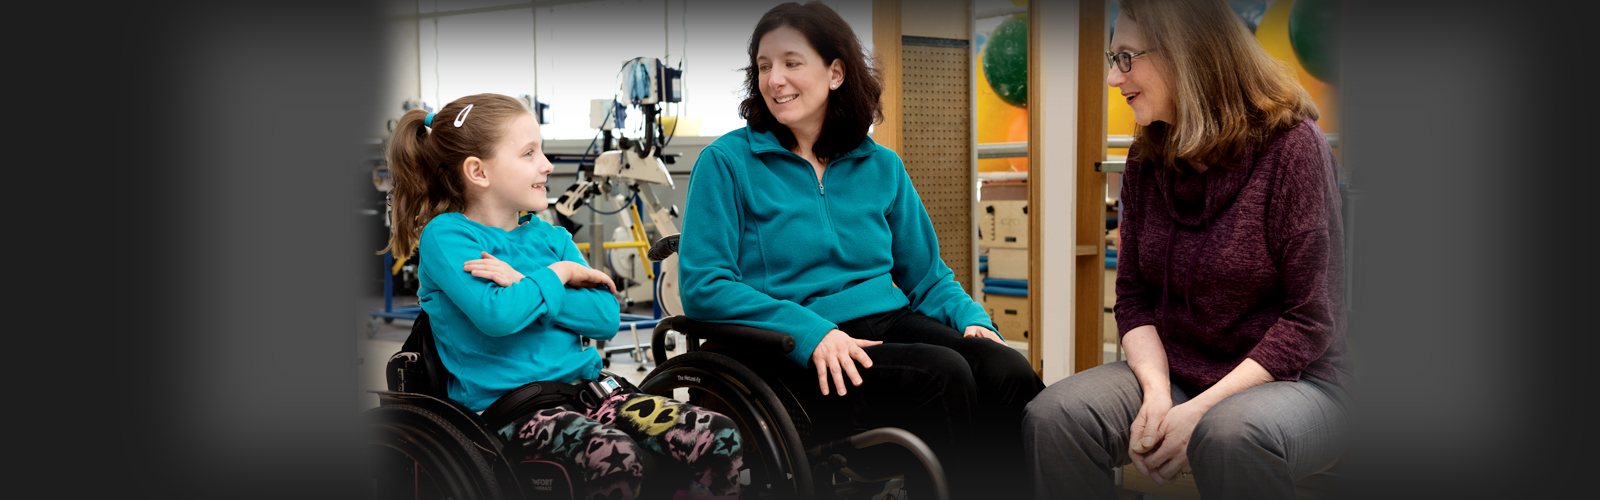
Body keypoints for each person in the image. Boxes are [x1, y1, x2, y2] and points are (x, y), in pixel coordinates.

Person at [676, 2, 1044, 497]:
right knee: (942, 375)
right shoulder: (726, 162)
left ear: (835, 72)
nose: (774, 79)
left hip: (885, 323)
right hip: (787, 348)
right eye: (764, 66)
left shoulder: (881, 165)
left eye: (791, 62)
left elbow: (926, 274)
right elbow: (705, 286)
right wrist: (812, 333)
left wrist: (971, 318)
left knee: (1005, 369)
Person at [1021, 1, 1351, 499]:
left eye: (1127, 58)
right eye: (1113, 59)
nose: (1114, 77)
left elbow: (1311, 319)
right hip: (1176, 370)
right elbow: (1133, 297)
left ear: (1187, 54)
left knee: (1228, 436)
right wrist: (1156, 392)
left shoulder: (1292, 147)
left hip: (1302, 379)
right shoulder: (1147, 156)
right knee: (1053, 417)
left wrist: (1199, 411)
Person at [383, 93, 742, 500]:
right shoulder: (449, 236)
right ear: (478, 171)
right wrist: (562, 273)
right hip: (512, 410)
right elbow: (498, 316)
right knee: (616, 454)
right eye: (529, 153)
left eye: (543, 150)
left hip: (592, 391)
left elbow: (605, 316)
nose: (547, 165)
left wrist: (525, 281)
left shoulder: (551, 236)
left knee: (718, 434)